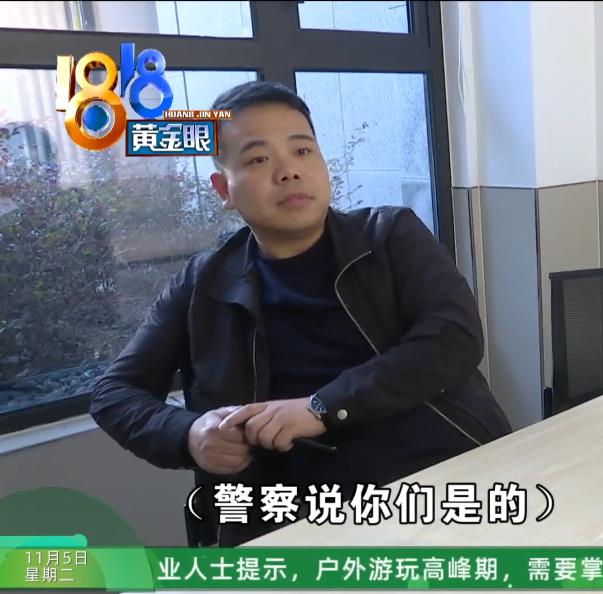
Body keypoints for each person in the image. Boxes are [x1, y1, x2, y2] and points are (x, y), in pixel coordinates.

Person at [90, 81, 511, 547]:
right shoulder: (201, 283)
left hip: (434, 483)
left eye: (303, 151)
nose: (289, 171)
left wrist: (322, 407)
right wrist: (189, 433)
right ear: (223, 189)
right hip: (289, 519)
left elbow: (454, 338)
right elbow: (114, 392)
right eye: (258, 159)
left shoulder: (389, 236)